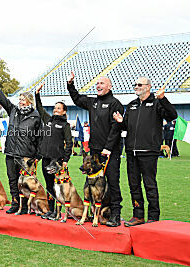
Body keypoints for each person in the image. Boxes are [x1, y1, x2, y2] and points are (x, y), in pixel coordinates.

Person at [113, 77, 177, 226]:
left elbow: (172, 115)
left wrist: (163, 98)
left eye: (139, 84)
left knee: (150, 185)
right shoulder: (132, 105)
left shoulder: (157, 103)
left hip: (149, 151)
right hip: (131, 152)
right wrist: (121, 122)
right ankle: (138, 215)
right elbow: (126, 127)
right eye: (135, 84)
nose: (136, 87)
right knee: (133, 185)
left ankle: (153, 217)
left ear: (148, 87)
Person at [67, 72, 124, 227]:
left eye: (102, 83)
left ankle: (115, 214)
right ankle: (95, 213)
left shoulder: (115, 103)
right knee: (92, 183)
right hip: (94, 151)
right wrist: (70, 85)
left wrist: (108, 148)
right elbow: (77, 99)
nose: (98, 86)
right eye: (97, 84)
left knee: (112, 182)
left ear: (109, 86)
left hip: (110, 151)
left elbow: (116, 128)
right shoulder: (92, 102)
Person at [0, 72, 41, 214]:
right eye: (20, 99)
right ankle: (15, 204)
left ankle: (26, 207)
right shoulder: (13, 111)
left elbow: (40, 138)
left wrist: (37, 156)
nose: (21, 101)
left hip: (26, 155)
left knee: (25, 182)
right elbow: (2, 99)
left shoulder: (36, 116)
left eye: (23, 99)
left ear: (30, 101)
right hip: (11, 152)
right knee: (12, 180)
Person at [35, 83, 73, 220]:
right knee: (49, 186)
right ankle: (51, 211)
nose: (56, 110)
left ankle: (58, 213)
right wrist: (37, 94)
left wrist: (66, 160)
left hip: (57, 161)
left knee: (58, 187)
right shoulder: (48, 120)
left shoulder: (65, 125)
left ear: (64, 112)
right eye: (55, 108)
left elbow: (69, 143)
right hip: (45, 159)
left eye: (59, 108)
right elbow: (39, 108)